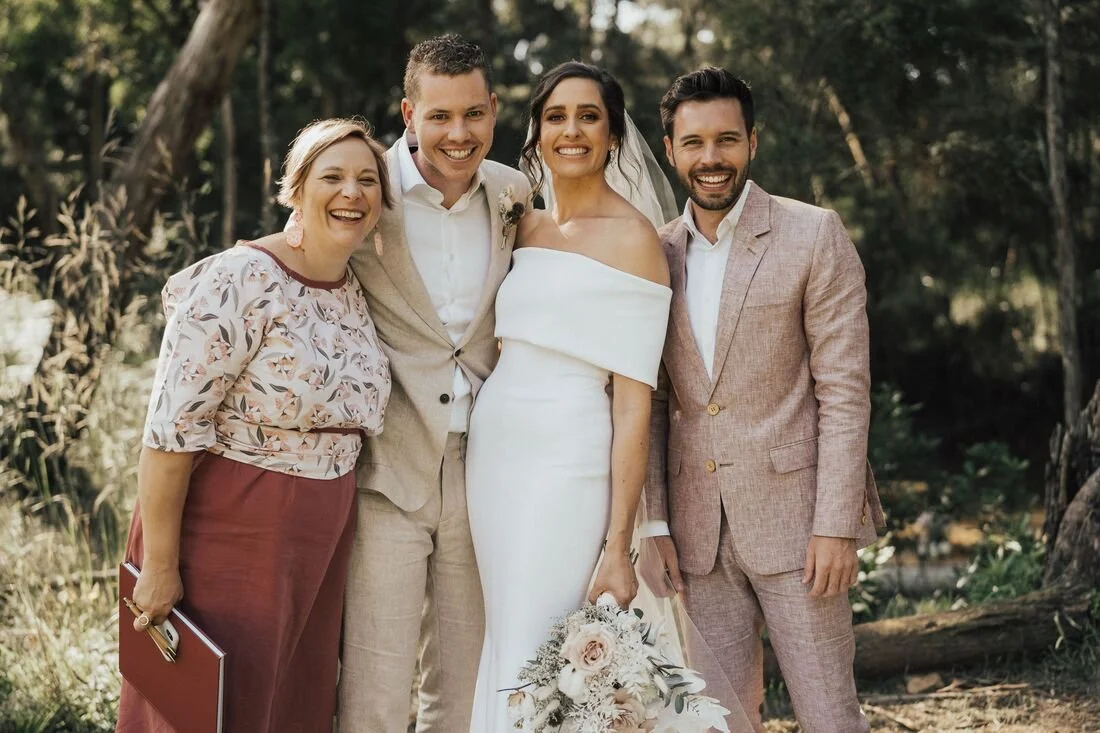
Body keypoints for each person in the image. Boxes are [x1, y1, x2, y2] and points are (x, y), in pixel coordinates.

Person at [117, 118, 393, 732]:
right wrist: (161, 564)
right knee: (211, 708)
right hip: (230, 529)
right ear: (295, 189)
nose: (352, 192)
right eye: (332, 177)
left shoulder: (353, 290)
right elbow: (168, 433)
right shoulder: (239, 279)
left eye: (367, 180)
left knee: (290, 706)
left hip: (318, 542)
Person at [642, 66, 886, 733]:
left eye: (726, 139)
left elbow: (844, 391)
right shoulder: (654, 252)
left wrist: (835, 524)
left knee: (830, 714)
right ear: (670, 149)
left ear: (753, 141)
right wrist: (655, 520)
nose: (710, 157)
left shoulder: (813, 234)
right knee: (717, 720)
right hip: (698, 533)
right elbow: (656, 402)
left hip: (799, 527)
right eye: (693, 143)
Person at [464, 61, 674, 732]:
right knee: (506, 632)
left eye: (589, 116)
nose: (572, 130)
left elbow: (634, 402)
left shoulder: (637, 240)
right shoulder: (521, 223)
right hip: (495, 455)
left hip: (571, 460)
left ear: (613, 136)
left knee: (548, 642)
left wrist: (619, 543)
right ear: (537, 131)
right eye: (556, 116)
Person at [335, 35, 531, 733]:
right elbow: (298, 252)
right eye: (440, 116)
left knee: (463, 679)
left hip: (485, 472)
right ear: (409, 113)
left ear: (494, 110)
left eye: (473, 115)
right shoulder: (363, 189)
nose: (458, 133)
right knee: (375, 683)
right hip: (390, 463)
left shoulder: (514, 192)